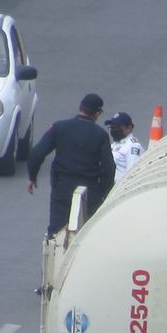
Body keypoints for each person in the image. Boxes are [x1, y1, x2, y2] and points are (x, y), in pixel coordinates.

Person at [27, 93, 117, 238]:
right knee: (88, 234)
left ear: (80, 108)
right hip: (90, 192)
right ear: (97, 113)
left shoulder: (59, 127)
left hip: (62, 188)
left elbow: (37, 153)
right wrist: (105, 192)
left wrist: (32, 177)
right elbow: (109, 167)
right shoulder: (100, 135)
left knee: (57, 233)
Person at [106, 112, 144, 181]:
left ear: (129, 128)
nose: (113, 130)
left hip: (119, 188)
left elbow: (132, 174)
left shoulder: (133, 147)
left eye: (117, 127)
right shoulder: (114, 144)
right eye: (111, 127)